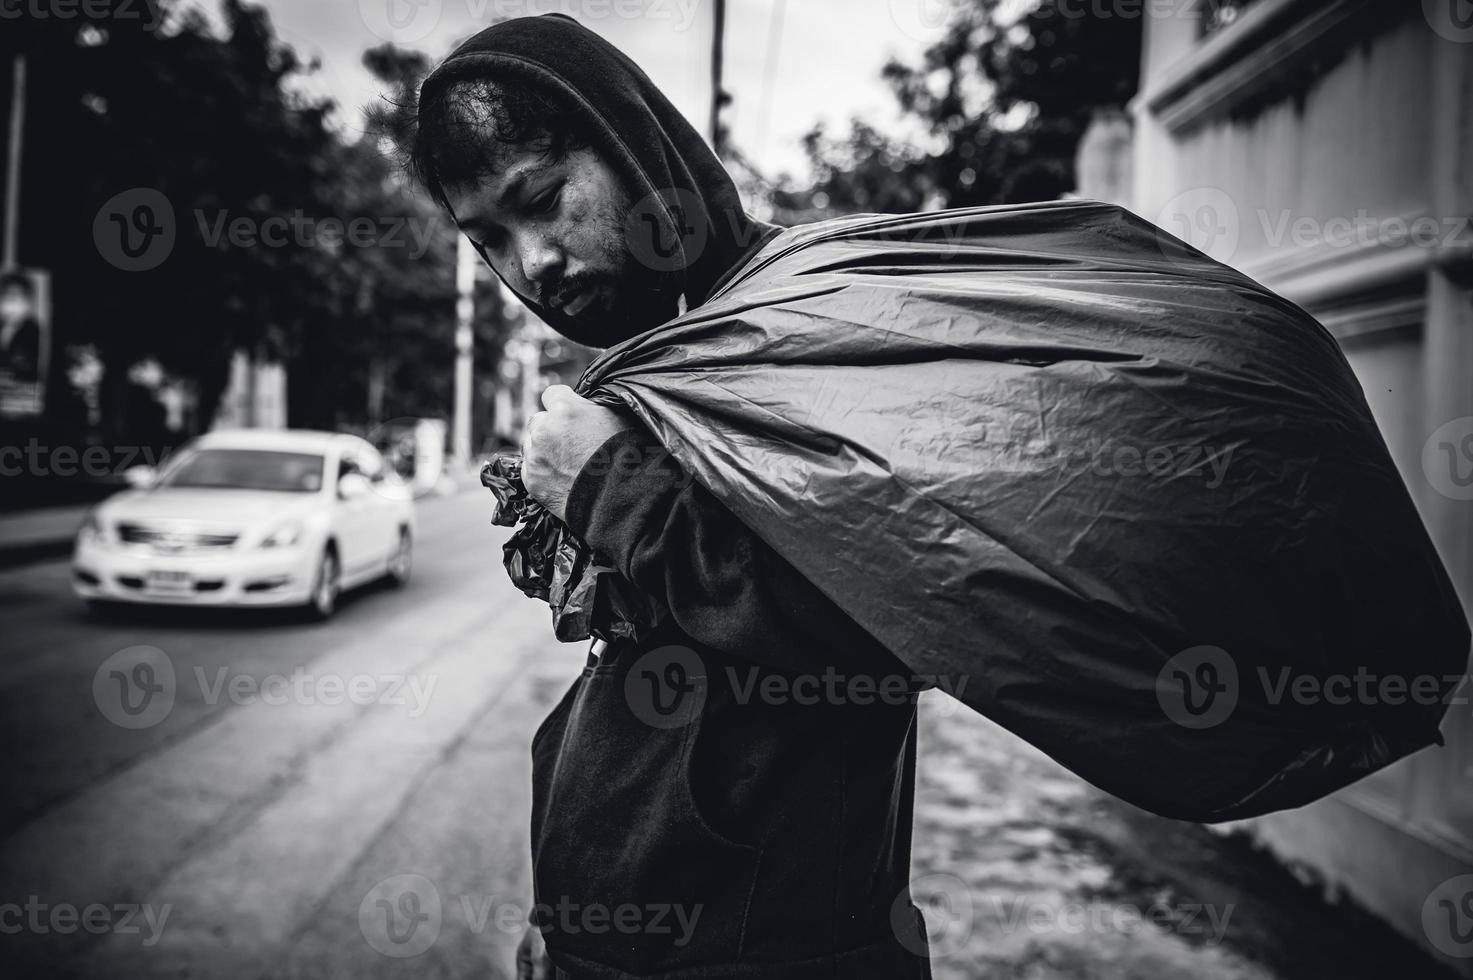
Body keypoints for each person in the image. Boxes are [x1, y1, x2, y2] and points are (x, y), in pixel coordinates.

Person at [409, 14, 935, 980]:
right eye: (488, 237)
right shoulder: (660, 360)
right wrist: (565, 913)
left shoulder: (806, 328)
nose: (532, 264)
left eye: (543, 198)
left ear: (632, 146)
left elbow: (891, 620)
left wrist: (609, 487)